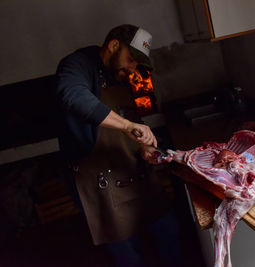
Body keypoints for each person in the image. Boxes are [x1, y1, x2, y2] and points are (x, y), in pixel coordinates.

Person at [55, 24, 180, 266]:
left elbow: (131, 121)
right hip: (98, 180)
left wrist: (144, 146)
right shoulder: (76, 65)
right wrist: (127, 127)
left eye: (137, 64)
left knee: (169, 230)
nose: (133, 68)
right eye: (131, 59)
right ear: (113, 46)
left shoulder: (119, 76)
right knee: (127, 255)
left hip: (132, 170)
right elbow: (71, 95)